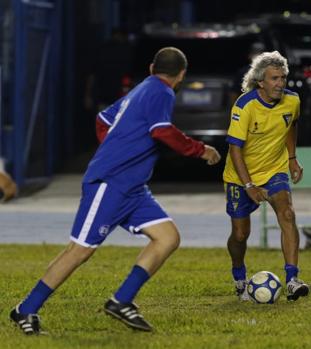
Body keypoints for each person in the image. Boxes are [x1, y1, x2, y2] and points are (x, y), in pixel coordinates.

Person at [10, 47, 221, 335]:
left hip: (132, 187)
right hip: (110, 183)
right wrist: (200, 150)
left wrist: (116, 146)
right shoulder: (161, 92)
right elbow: (162, 131)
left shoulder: (142, 88)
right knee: (79, 251)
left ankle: (121, 301)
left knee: (167, 237)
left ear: (151, 67)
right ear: (182, 74)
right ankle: (26, 309)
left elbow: (103, 120)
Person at [223, 51, 309, 302]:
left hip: (274, 170)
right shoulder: (244, 105)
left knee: (288, 214)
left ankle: (292, 279)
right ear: (261, 81)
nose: (280, 83)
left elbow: (292, 125)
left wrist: (292, 158)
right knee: (240, 235)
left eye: (283, 78)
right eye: (274, 78)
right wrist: (248, 184)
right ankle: (239, 275)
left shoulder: (292, 101)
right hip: (240, 176)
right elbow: (234, 148)